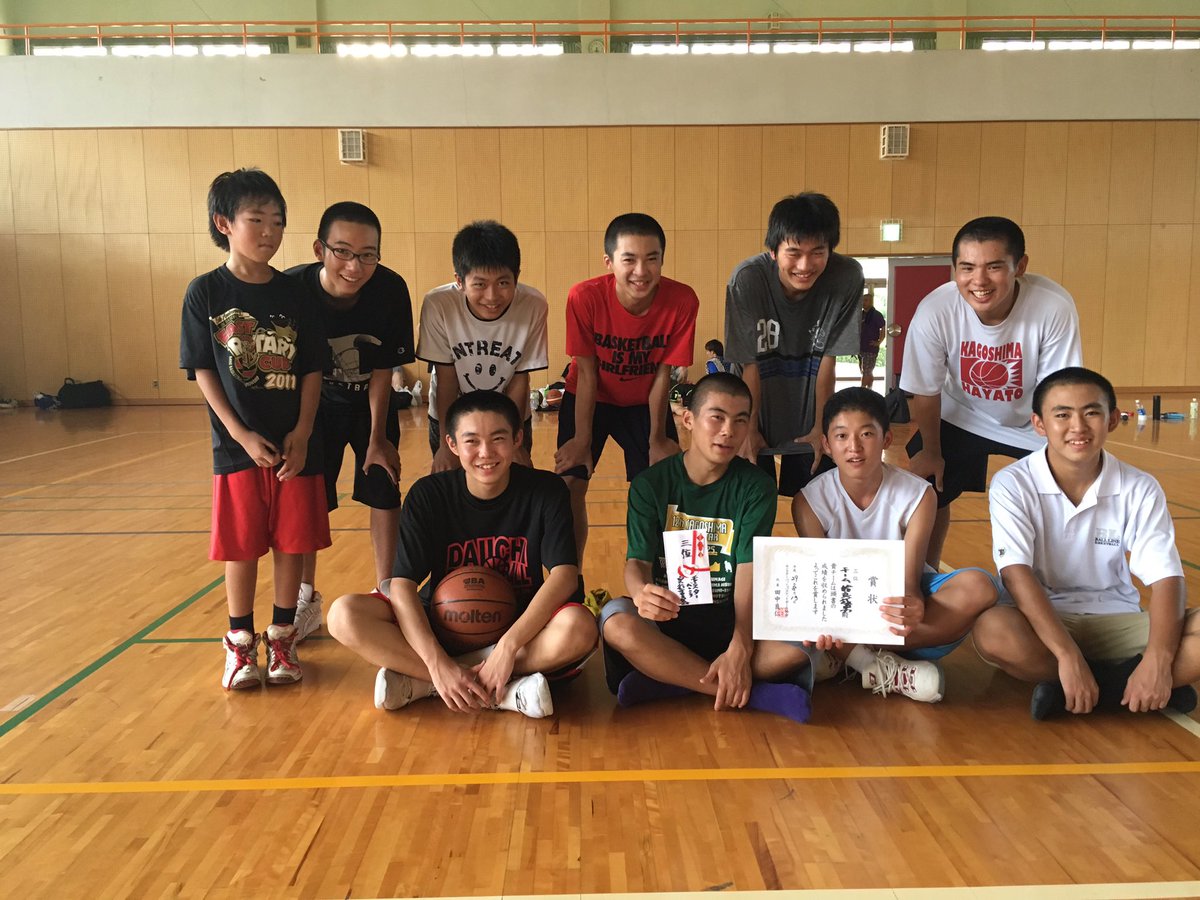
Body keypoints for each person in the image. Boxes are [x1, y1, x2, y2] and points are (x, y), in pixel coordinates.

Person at [326, 391, 598, 719]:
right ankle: (491, 689)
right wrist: (436, 662)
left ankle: (426, 684)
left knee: (580, 627)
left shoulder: (546, 490)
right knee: (343, 615)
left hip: (520, 628)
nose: (485, 453)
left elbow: (565, 575)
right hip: (442, 624)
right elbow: (401, 585)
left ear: (517, 439)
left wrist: (508, 647)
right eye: (472, 441)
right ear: (452, 445)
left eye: (498, 439)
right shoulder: (429, 495)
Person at [972, 367, 1199, 720]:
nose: (1078, 427)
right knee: (992, 631)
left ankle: (1078, 691)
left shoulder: (1139, 486)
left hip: (1118, 617)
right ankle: (1133, 687)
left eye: (1091, 412)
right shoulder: (1013, 484)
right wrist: (1067, 656)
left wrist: (1158, 659)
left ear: (1112, 420)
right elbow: (1015, 574)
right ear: (1039, 424)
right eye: (1062, 415)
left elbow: (1167, 577)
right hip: (1043, 620)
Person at [179, 168, 330, 690]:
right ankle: (240, 644)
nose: (270, 231)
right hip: (236, 446)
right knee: (241, 547)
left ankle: (283, 637)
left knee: (292, 542)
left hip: (294, 445)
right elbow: (202, 370)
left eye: (278, 221)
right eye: (257, 219)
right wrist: (240, 435)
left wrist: (303, 433)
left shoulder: (296, 293)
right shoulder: (205, 292)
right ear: (224, 223)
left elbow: (312, 368)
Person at [598, 373, 814, 724]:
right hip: (667, 627)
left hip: (733, 622)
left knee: (806, 638)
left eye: (740, 420)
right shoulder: (650, 484)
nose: (728, 431)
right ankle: (748, 693)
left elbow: (748, 568)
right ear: (688, 419)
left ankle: (669, 680)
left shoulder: (756, 486)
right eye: (717, 417)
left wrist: (741, 644)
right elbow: (637, 560)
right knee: (615, 622)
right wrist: (640, 593)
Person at [793, 388, 998, 703]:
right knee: (791, 601)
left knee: (980, 587)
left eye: (866, 434)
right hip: (843, 600)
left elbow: (910, 579)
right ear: (827, 444)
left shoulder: (918, 494)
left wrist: (912, 605)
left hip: (894, 601)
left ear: (886, 439)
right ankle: (876, 665)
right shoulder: (809, 501)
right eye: (842, 436)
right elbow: (823, 580)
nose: (854, 447)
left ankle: (846, 655)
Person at [901, 216, 1082, 568]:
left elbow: (1059, 393)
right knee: (927, 486)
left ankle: (1053, 580)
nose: (979, 281)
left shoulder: (1052, 306)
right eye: (967, 268)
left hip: (1033, 421)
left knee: (1064, 488)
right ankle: (925, 574)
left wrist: (1060, 457)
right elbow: (926, 389)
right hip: (962, 413)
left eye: (994, 267)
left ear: (1020, 266)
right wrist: (932, 451)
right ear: (954, 269)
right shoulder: (936, 310)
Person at [286, 202, 415, 637]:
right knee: (308, 499)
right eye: (342, 252)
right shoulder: (292, 290)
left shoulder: (390, 289)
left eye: (367, 255)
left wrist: (378, 438)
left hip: (369, 405)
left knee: (384, 486)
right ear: (319, 249)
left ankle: (387, 591)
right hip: (314, 406)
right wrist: (301, 431)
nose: (355, 266)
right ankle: (304, 598)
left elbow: (382, 370)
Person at [554, 213, 699, 567]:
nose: (641, 271)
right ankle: (570, 577)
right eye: (629, 260)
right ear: (609, 262)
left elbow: (663, 375)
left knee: (663, 485)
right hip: (591, 396)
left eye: (652, 259)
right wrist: (582, 439)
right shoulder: (584, 297)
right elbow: (586, 373)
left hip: (644, 401)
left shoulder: (682, 300)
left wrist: (657, 438)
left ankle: (658, 577)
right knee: (570, 484)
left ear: (662, 259)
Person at [723, 192, 864, 527]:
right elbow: (750, 363)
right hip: (759, 401)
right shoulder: (747, 279)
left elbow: (828, 359)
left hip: (808, 400)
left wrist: (821, 427)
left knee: (818, 507)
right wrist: (749, 427)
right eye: (794, 253)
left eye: (818, 253)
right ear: (774, 251)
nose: (805, 266)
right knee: (751, 510)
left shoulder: (846, 277)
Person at [418, 220, 548, 472]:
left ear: (517, 277)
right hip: (451, 417)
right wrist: (446, 443)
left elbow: (520, 378)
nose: (492, 296)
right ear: (459, 280)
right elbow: (446, 379)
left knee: (512, 485)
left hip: (510, 416)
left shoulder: (533, 305)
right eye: (480, 284)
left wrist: (515, 440)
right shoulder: (439, 304)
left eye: (503, 283)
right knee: (454, 486)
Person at [858, 288, 885, 389]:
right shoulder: (861, 314)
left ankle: (863, 390)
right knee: (864, 370)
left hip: (871, 347)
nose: (863, 303)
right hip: (861, 347)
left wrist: (879, 341)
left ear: (871, 301)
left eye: (866, 300)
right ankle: (869, 389)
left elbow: (883, 328)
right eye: (862, 300)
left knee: (867, 370)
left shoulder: (876, 315)